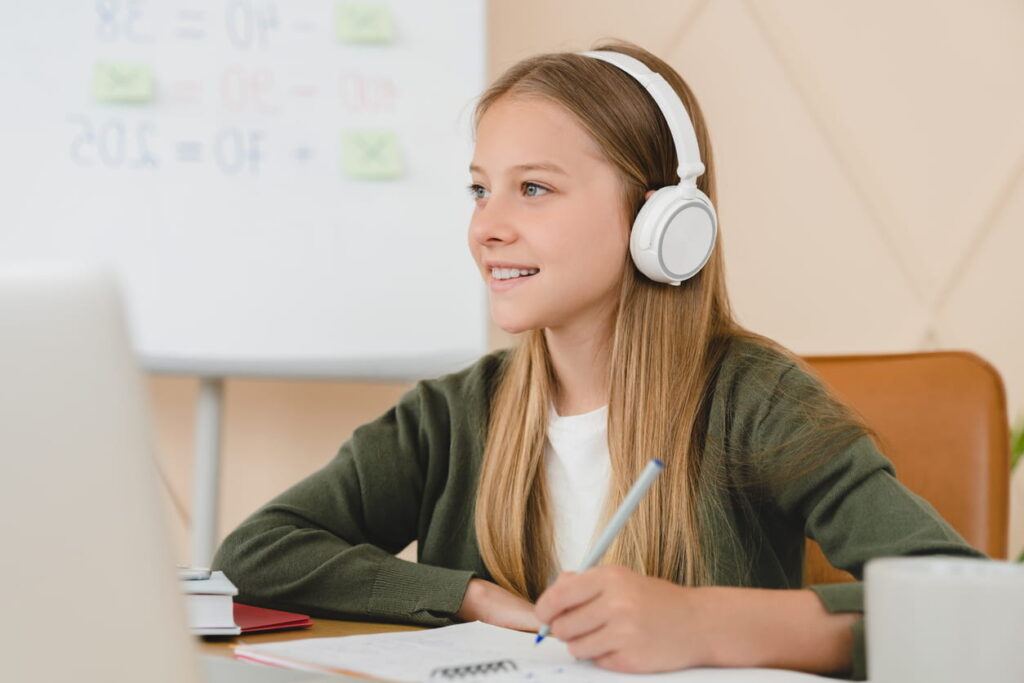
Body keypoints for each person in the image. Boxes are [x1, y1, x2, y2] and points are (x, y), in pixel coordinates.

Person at [213, 39, 985, 680]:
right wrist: (470, 597)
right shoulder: (453, 416)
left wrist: (702, 623)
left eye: (534, 189)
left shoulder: (758, 401)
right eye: (480, 190)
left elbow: (973, 606)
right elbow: (256, 552)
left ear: (660, 219)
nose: (487, 226)